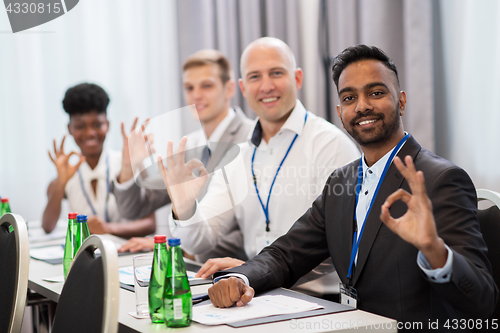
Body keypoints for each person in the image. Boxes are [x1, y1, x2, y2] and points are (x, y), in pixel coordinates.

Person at [206, 45, 498, 327]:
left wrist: (434, 250)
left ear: (402, 101)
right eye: (349, 98)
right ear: (340, 112)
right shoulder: (341, 181)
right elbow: (287, 252)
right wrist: (239, 278)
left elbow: (482, 301)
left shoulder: (440, 180)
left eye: (376, 92)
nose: (362, 106)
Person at [159, 37, 360, 296]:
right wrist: (185, 207)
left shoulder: (330, 145)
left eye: (276, 73)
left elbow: (340, 244)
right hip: (256, 295)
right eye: (255, 77)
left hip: (319, 301)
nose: (266, 86)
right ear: (243, 87)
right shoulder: (240, 155)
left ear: (297, 78)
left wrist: (260, 270)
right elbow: (200, 240)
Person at [113, 50, 254, 261]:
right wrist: (128, 166)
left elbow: (251, 226)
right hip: (192, 268)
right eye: (189, 87)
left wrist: (177, 248)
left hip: (234, 272)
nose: (196, 95)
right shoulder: (189, 145)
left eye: (206, 85)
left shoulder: (252, 139)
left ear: (229, 89)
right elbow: (134, 209)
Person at [42, 83, 156, 237]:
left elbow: (150, 224)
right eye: (80, 126)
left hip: (126, 252)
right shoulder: (68, 172)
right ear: (70, 129)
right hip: (88, 255)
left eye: (97, 125)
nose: (90, 133)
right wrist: (61, 183)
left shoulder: (126, 163)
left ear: (107, 125)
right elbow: (48, 226)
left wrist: (108, 228)